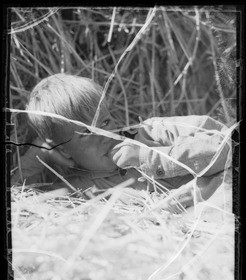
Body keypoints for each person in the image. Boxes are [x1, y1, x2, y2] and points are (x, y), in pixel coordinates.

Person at [11, 73, 232, 210]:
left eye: (105, 122)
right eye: (86, 132)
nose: (104, 135)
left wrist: (151, 157)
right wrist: (40, 151)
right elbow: (21, 200)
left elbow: (229, 146)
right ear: (66, 152)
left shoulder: (154, 132)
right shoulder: (80, 189)